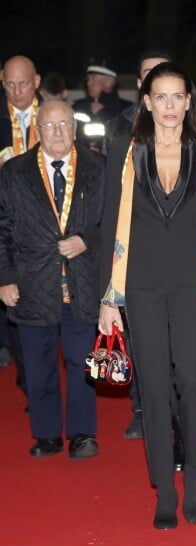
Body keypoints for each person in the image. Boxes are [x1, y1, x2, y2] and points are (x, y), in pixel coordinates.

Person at [98, 62, 196, 529]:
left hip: (194, 285)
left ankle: (193, 472)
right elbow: (108, 228)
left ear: (189, 102)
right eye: (162, 97)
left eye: (180, 97)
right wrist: (106, 298)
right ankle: (163, 487)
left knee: (192, 383)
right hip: (141, 286)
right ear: (147, 102)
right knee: (154, 389)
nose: (171, 106)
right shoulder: (124, 150)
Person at [0, 100, 104, 459]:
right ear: (37, 131)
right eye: (50, 126)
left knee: (81, 364)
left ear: (74, 130)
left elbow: (116, 225)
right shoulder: (14, 172)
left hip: (82, 284)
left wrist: (86, 239)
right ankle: (46, 435)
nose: (58, 132)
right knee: (38, 363)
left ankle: (82, 434)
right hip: (31, 283)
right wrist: (5, 276)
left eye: (64, 125)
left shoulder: (99, 168)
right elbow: (3, 229)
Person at [102, 50, 172, 440]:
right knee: (138, 338)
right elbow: (109, 197)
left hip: (179, 255)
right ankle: (143, 409)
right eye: (148, 75)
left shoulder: (194, 127)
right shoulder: (117, 128)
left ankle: (178, 412)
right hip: (131, 252)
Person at [0, 55, 44, 397]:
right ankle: (29, 376)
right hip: (5, 224)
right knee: (12, 297)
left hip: (47, 224)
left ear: (37, 82)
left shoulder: (56, 116)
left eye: (23, 84)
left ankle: (36, 376)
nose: (16, 91)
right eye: (10, 84)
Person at [73, 61, 132, 153]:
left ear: (108, 82)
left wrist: (104, 113)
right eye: (88, 79)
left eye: (93, 79)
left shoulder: (127, 110)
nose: (88, 83)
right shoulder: (77, 107)